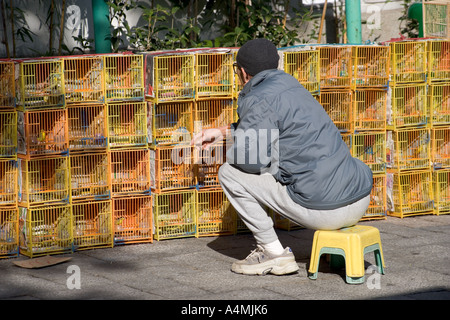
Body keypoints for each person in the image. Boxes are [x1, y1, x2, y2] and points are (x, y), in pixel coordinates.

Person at [192, 38, 373, 276]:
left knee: (229, 173)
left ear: (243, 72)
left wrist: (228, 149)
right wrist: (223, 132)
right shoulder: (292, 87)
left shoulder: (258, 97)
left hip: (326, 211)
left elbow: (252, 159)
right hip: (359, 199)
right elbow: (269, 125)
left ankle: (273, 253)